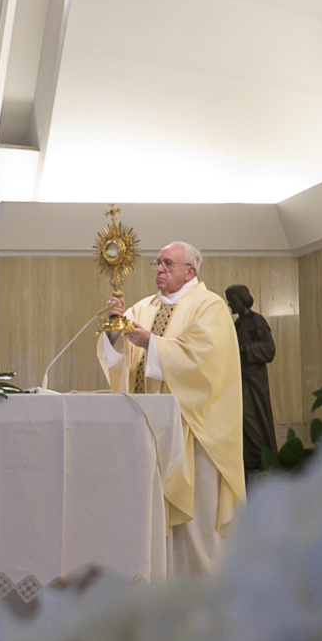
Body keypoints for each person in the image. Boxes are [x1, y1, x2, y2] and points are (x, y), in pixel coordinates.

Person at [97, 242, 243, 573]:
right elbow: (119, 360)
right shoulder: (142, 308)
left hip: (194, 429)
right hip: (147, 430)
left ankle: (200, 588)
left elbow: (206, 362)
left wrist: (151, 343)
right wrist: (115, 328)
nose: (160, 269)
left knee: (196, 521)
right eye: (157, 263)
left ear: (190, 271)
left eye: (168, 263)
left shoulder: (209, 306)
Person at [223, 284, 278, 473]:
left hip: (254, 381)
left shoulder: (257, 320)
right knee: (242, 419)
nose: (230, 304)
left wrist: (244, 349)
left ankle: (263, 458)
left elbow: (269, 349)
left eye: (232, 299)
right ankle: (250, 461)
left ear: (242, 298)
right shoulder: (237, 324)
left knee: (253, 417)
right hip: (239, 379)